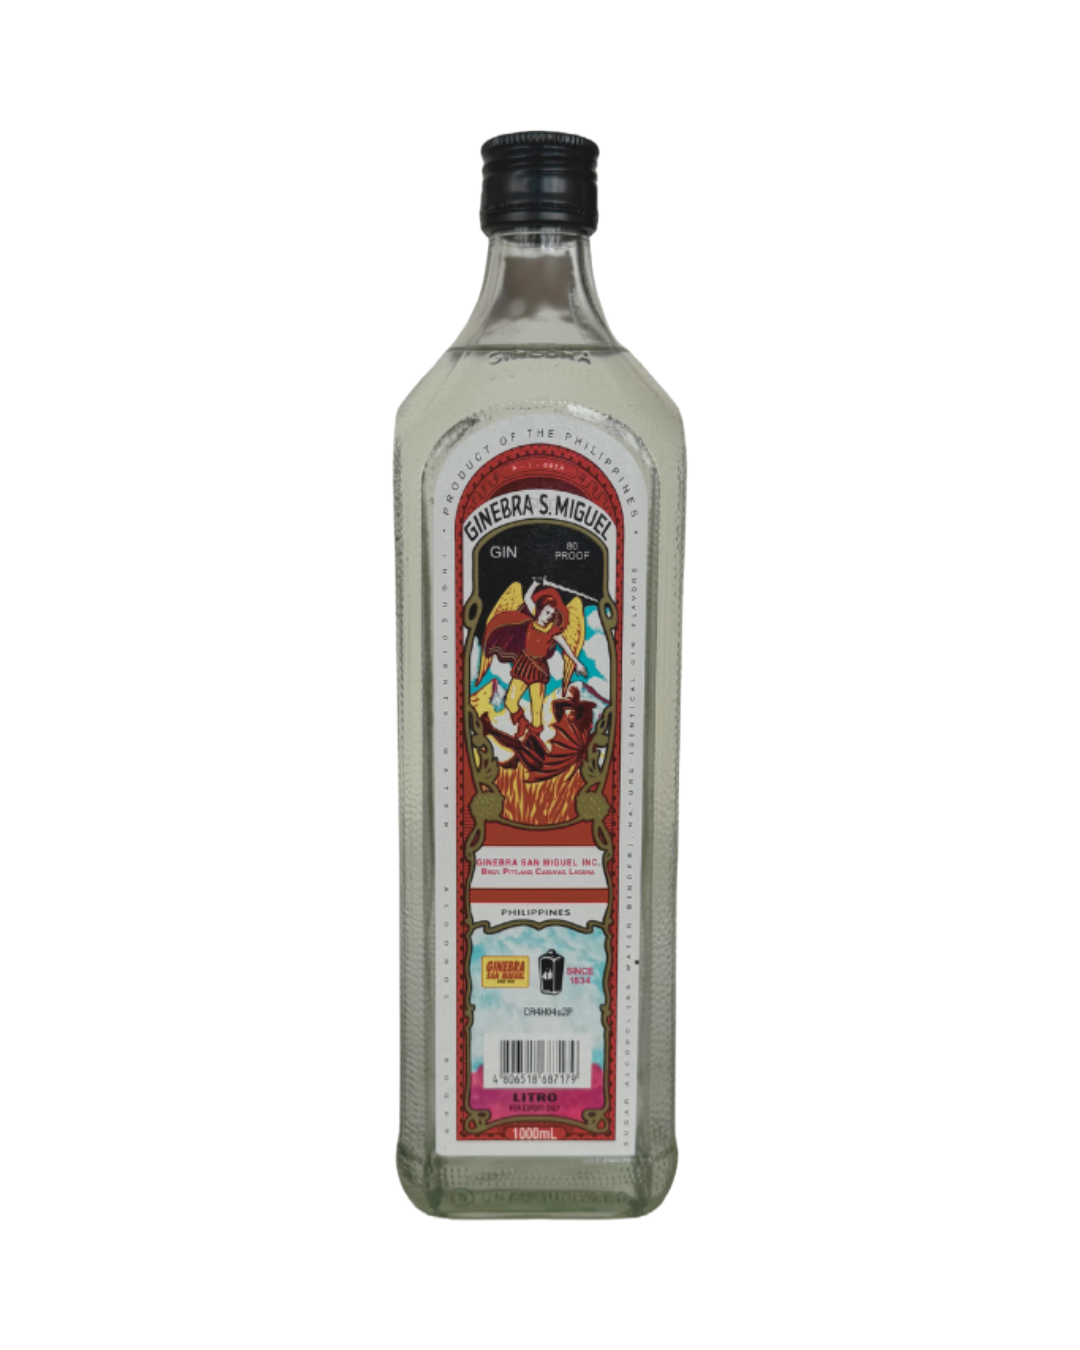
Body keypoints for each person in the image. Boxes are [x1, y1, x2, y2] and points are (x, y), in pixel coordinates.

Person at [482, 580, 586, 738]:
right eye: (547, 612)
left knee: (536, 710)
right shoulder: (532, 618)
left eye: (551, 614)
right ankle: (522, 721)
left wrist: (577, 663)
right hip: (523, 664)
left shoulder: (553, 631)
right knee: (510, 701)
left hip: (539, 669)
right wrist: (535, 583)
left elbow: (566, 647)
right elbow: (527, 597)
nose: (548, 617)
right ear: (540, 610)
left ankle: (534, 738)